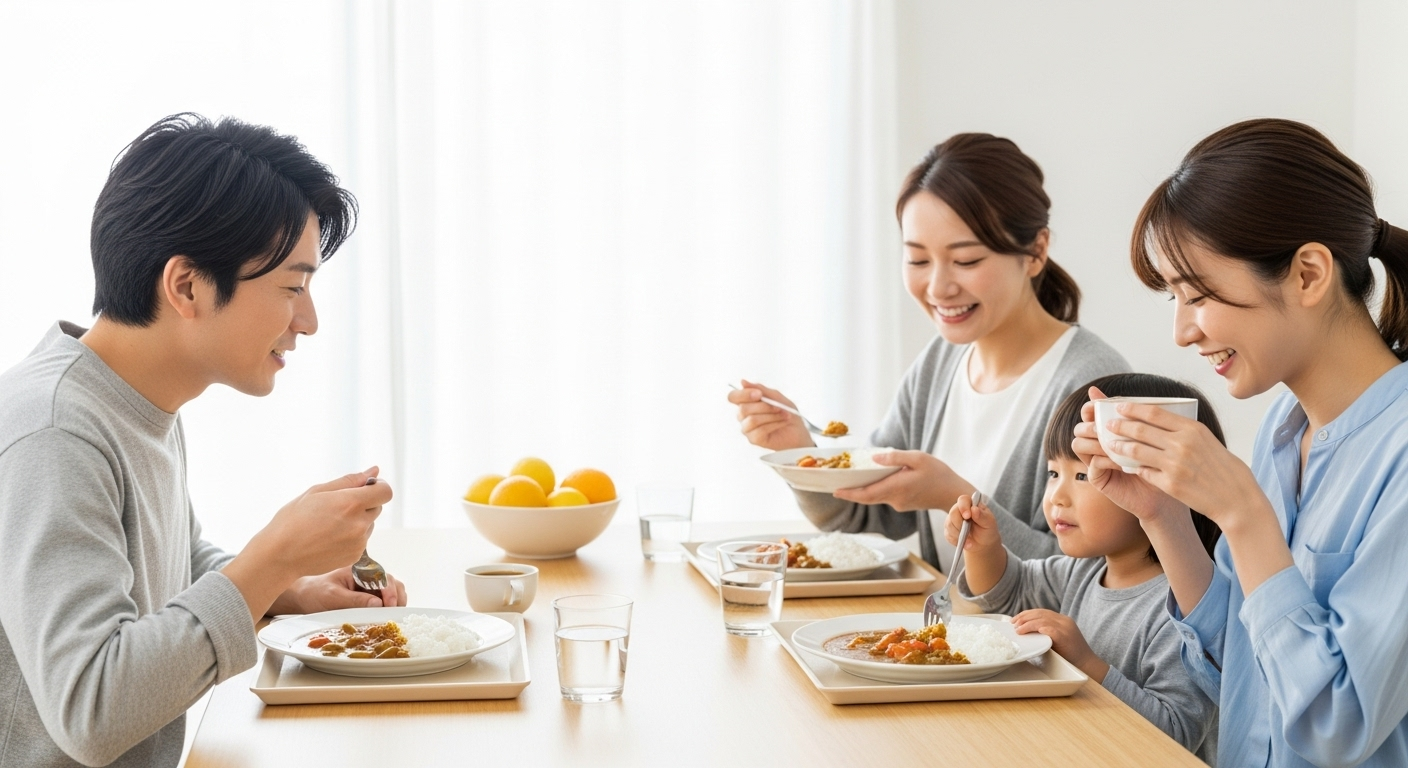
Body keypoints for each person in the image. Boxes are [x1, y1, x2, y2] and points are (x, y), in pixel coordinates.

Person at [0, 114, 407, 767]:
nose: (308, 321)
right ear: (186, 285)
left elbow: (172, 570)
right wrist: (270, 560)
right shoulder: (54, 432)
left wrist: (286, 591)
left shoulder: (136, 400)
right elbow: (91, 709)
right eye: (293, 287)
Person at [1073, 118, 1408, 767]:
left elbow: (1335, 729)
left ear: (1309, 274)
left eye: (1196, 294)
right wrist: (1163, 516)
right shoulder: (1286, 431)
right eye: (1173, 296)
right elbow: (1245, 674)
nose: (1182, 332)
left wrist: (1243, 515)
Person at [729, 133, 1128, 570]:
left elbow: (1093, 579)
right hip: (952, 631)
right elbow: (866, 517)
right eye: (918, 261)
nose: (938, 288)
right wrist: (799, 449)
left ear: (1035, 251)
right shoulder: (941, 363)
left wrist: (952, 496)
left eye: (966, 260)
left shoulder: (1092, 385)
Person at [947, 373, 1221, 761]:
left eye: (1083, 475)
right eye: (1053, 473)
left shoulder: (1188, 611)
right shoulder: (1082, 572)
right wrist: (982, 548)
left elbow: (1177, 735)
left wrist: (1087, 662)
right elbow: (1006, 593)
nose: (1058, 496)